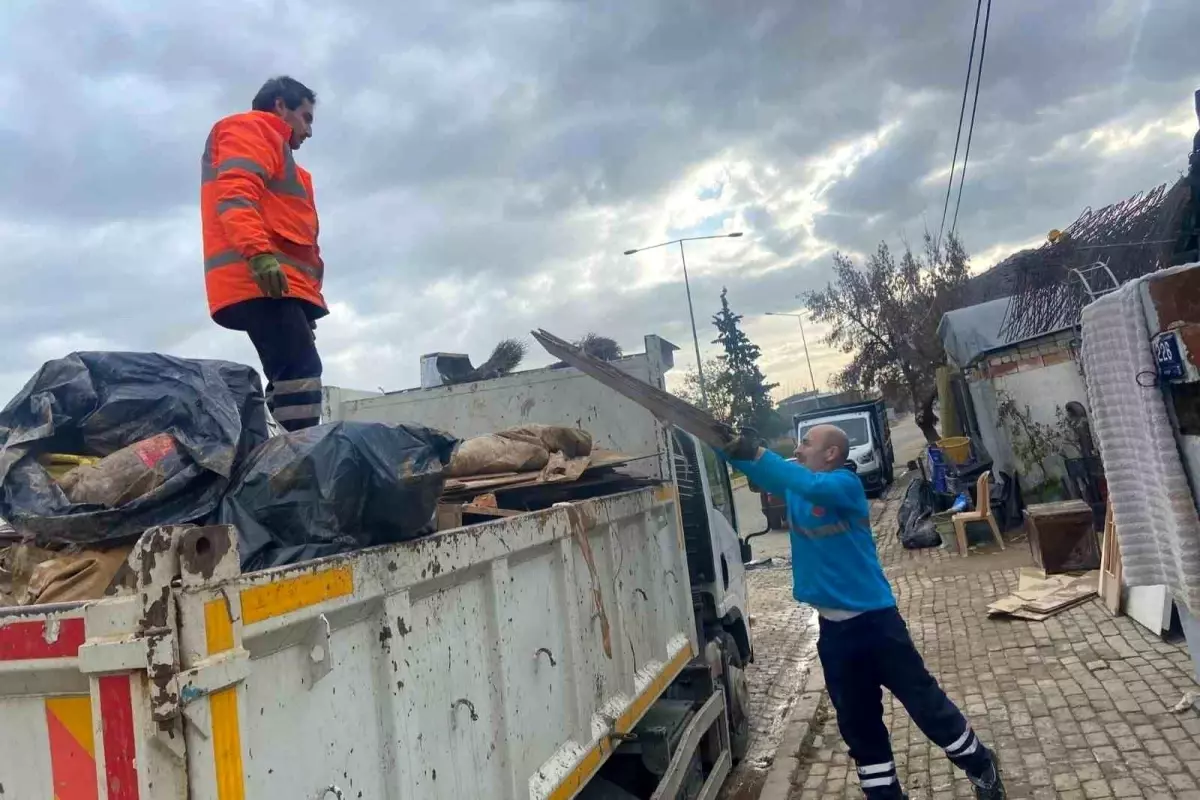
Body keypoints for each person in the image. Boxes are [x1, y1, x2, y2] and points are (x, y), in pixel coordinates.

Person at [722, 425, 1005, 799]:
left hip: (877, 626)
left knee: (925, 705)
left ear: (831, 454)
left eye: (807, 442)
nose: (798, 447)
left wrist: (757, 453)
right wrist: (722, 443)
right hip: (835, 636)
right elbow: (761, 470)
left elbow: (800, 481)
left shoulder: (844, 486)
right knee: (858, 725)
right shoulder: (798, 485)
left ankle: (981, 765)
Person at [200, 75, 325, 431]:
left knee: (292, 371)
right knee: (299, 371)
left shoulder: (278, 154)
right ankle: (299, 457)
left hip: (274, 284)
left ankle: (283, 449)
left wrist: (303, 306)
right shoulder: (253, 130)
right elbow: (236, 195)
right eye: (306, 117)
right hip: (259, 280)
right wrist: (258, 255)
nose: (309, 131)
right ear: (280, 106)